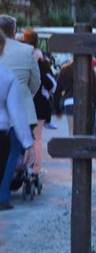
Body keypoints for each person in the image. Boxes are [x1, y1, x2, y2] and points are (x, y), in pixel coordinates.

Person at [0, 16, 39, 208]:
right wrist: (26, 96)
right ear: (14, 30)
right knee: (13, 153)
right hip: (20, 113)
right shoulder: (26, 51)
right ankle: (4, 194)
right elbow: (36, 81)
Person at [21, 28, 56, 179]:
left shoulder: (19, 58)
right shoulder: (41, 62)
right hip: (39, 105)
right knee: (37, 138)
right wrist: (45, 93)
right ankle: (35, 169)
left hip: (21, 103)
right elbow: (53, 84)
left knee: (23, 135)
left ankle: (23, 166)